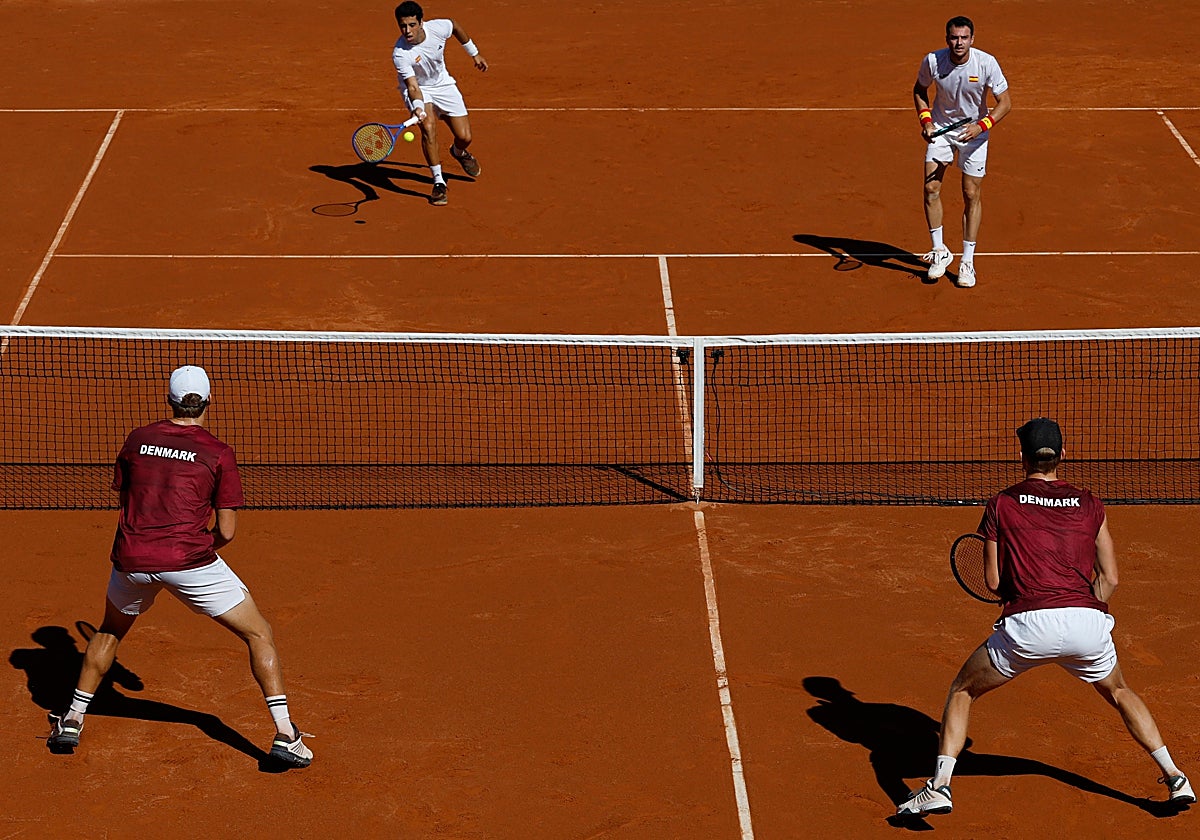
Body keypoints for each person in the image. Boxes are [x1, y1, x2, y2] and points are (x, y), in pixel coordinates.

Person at [897, 418, 1193, 817]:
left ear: (1022, 458)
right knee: (1120, 691)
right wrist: (1081, 609)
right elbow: (1111, 578)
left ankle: (941, 786)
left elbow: (993, 580)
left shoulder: (1001, 503)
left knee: (963, 690)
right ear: (1062, 456)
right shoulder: (1091, 504)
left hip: (1029, 625)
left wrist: (1026, 597)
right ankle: (1175, 777)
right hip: (1087, 623)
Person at [46, 365, 313, 769]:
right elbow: (226, 530)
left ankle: (71, 719)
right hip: (189, 561)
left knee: (110, 630)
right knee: (259, 633)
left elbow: (127, 498)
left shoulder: (138, 440)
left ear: (169, 399)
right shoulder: (218, 452)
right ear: (207, 401)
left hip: (132, 559)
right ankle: (285, 734)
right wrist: (190, 552)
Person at [913, 15, 1011, 289]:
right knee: (931, 189)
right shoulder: (933, 61)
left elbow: (1005, 103)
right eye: (954, 38)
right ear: (947, 40)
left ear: (972, 39)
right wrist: (926, 121)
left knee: (971, 194)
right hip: (942, 132)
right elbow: (920, 90)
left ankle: (967, 261)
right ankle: (940, 251)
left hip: (975, 135)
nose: (959, 42)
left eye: (964, 38)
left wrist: (982, 126)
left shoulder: (986, 63)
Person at [392, 1, 488, 206]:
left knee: (464, 136)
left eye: (412, 25)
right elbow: (412, 86)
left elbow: (455, 26)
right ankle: (438, 183)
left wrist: (474, 53)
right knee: (428, 128)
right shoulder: (401, 53)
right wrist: (418, 106)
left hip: (443, 84)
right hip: (420, 89)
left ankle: (458, 152)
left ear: (421, 22)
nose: (407, 31)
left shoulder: (438, 28)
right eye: (402, 26)